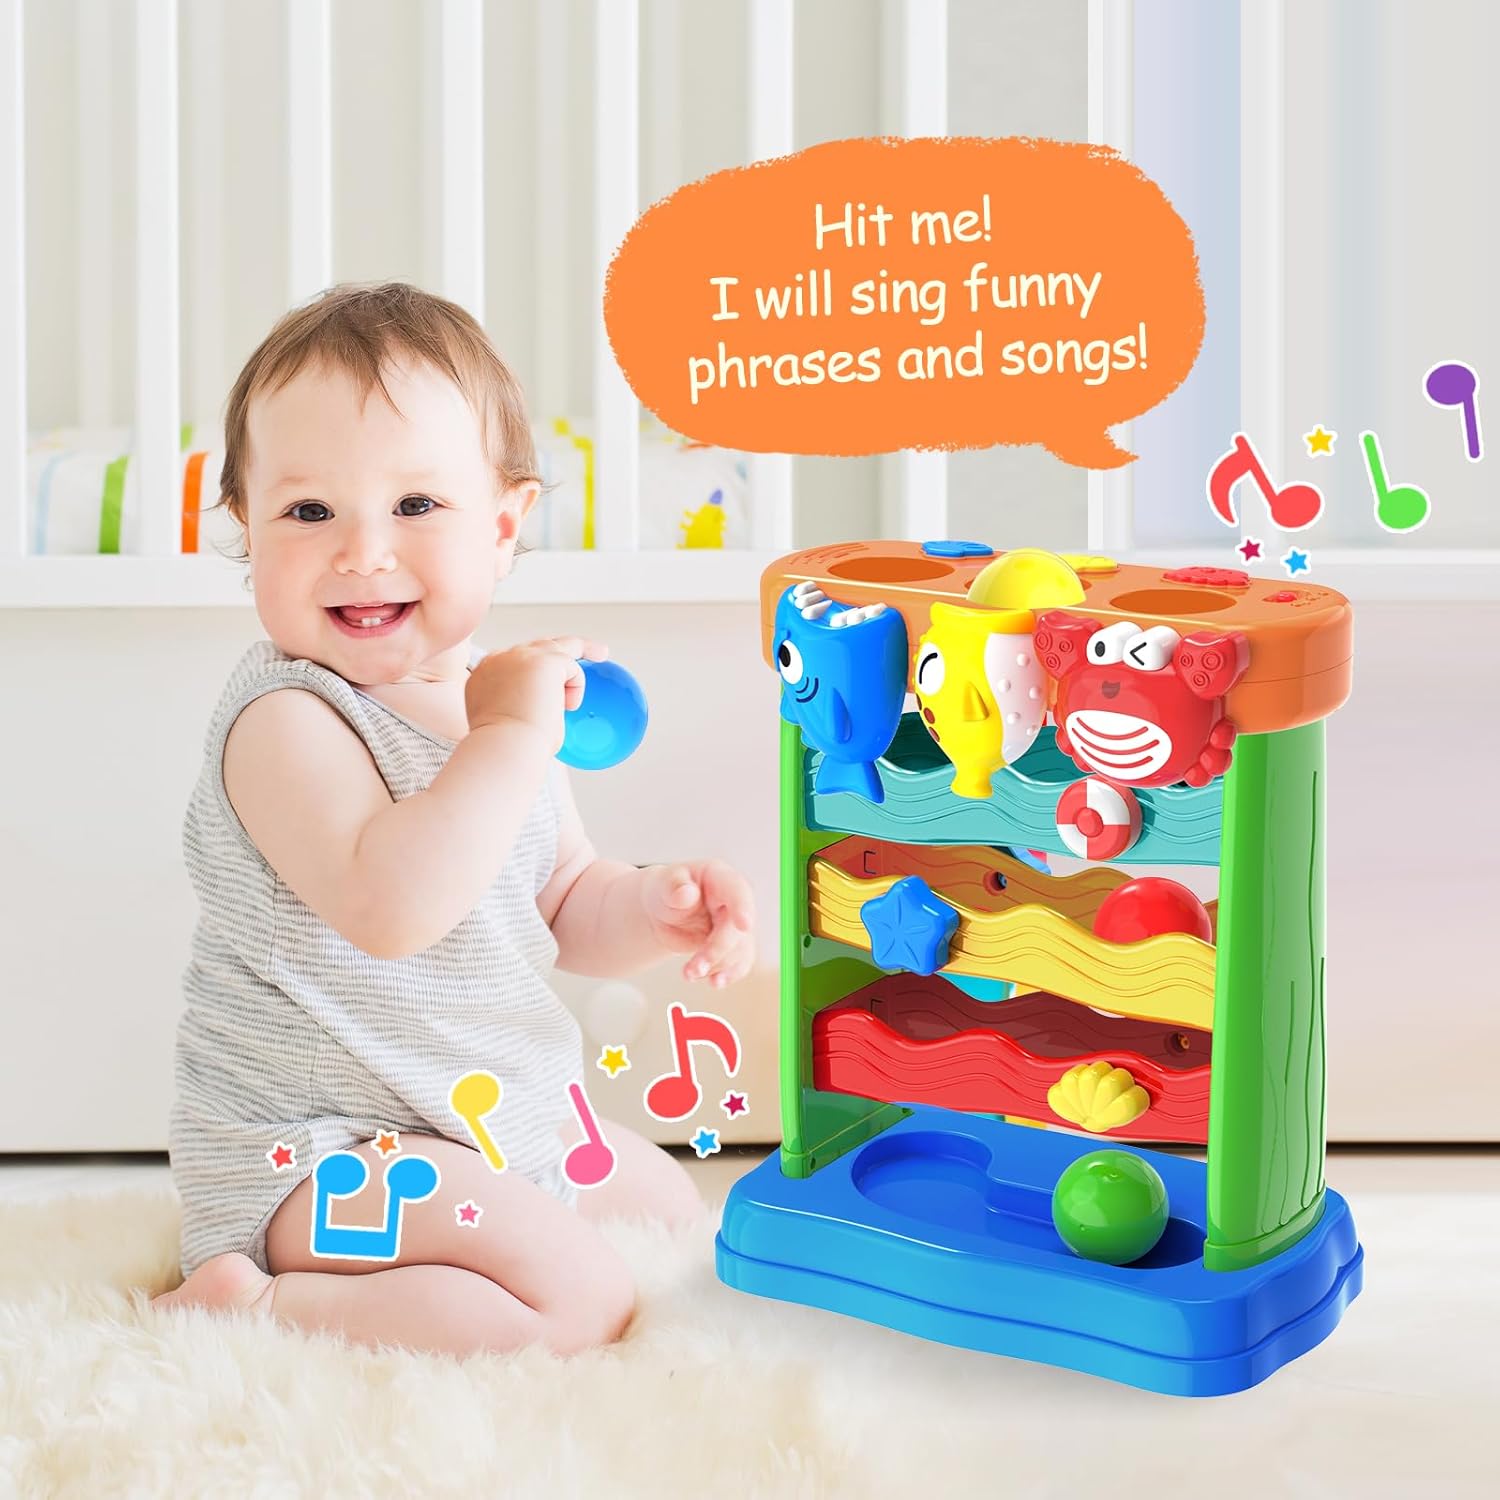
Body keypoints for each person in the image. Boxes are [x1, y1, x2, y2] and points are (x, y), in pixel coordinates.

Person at [152, 283, 755, 1359]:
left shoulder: (492, 702)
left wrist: (652, 906)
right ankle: (252, 1305)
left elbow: (558, 901)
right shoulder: (286, 720)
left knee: (670, 1209)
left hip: (473, 1115)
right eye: (308, 512)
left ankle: (496, 1211)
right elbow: (392, 906)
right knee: (578, 1300)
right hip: (319, 1153)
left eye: (416, 505)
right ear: (247, 528)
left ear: (504, 527)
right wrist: (513, 735)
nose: (362, 551)